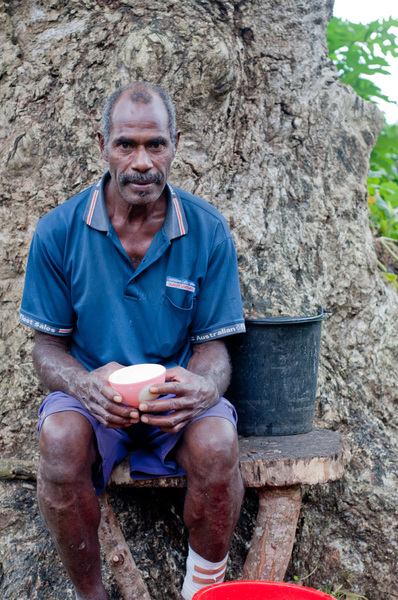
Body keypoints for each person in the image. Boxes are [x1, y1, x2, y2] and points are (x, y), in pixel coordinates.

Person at [19, 81, 246, 600]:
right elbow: (46, 347)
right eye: (127, 144)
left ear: (175, 144)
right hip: (94, 396)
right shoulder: (59, 231)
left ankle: (202, 590)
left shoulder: (206, 230)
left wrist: (205, 388)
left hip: (176, 400)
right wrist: (82, 383)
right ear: (103, 145)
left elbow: (214, 346)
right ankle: (91, 594)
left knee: (217, 444)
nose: (141, 161)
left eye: (155, 144)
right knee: (57, 441)